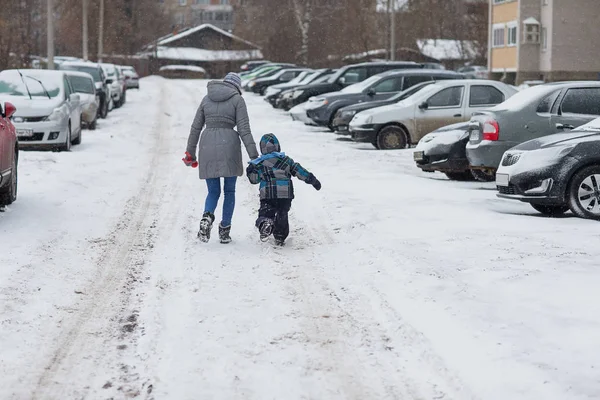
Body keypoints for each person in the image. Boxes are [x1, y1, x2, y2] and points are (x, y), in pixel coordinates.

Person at [185, 72, 259, 244]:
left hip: (207, 144)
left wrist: (190, 152)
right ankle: (224, 230)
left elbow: (195, 127)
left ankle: (207, 217)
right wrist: (254, 156)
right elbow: (244, 129)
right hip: (229, 145)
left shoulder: (206, 98)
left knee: (213, 191)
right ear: (237, 87)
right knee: (229, 191)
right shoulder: (237, 100)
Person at [246, 133, 321, 246]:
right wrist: (312, 180)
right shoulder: (286, 160)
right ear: (278, 146)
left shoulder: (260, 163)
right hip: (285, 194)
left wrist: (250, 170)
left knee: (266, 212)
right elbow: (299, 171)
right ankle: (280, 236)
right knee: (282, 213)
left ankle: (265, 223)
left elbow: (254, 180)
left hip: (268, 195)